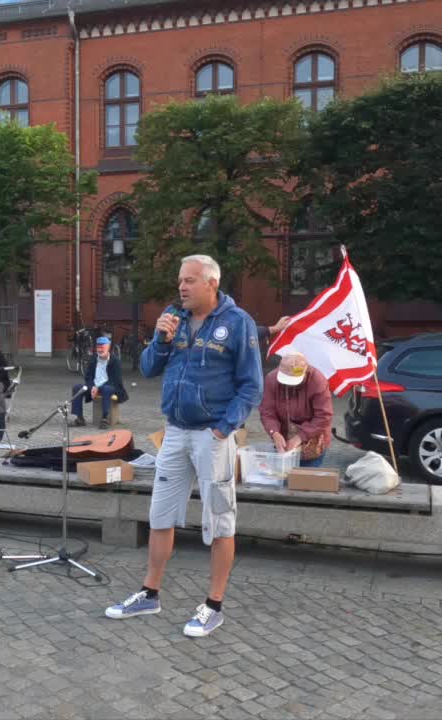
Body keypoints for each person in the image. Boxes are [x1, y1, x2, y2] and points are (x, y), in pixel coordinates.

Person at [105, 254, 262, 638]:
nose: (182, 287)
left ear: (211, 283)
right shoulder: (173, 318)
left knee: (220, 520)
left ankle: (213, 605)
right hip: (174, 432)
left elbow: (252, 384)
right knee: (160, 515)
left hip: (213, 435)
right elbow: (145, 369)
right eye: (180, 280)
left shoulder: (237, 323)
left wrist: (225, 428)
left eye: (190, 280)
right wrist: (160, 339)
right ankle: (150, 592)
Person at [260, 351, 333, 468]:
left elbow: (324, 416)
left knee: (305, 480)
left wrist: (299, 437)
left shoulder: (317, 380)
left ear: (304, 372)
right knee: (282, 478)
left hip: (312, 442)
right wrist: (274, 433)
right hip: (284, 438)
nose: (289, 385)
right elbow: (267, 412)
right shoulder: (271, 379)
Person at [71, 336, 128, 428]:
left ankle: (104, 419)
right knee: (77, 388)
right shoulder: (93, 359)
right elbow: (88, 377)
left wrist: (98, 388)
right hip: (94, 386)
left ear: (108, 347)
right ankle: (79, 418)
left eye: (102, 347)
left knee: (106, 389)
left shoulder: (115, 361)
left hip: (110, 386)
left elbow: (115, 381)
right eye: (98, 347)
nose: (100, 350)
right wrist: (93, 386)